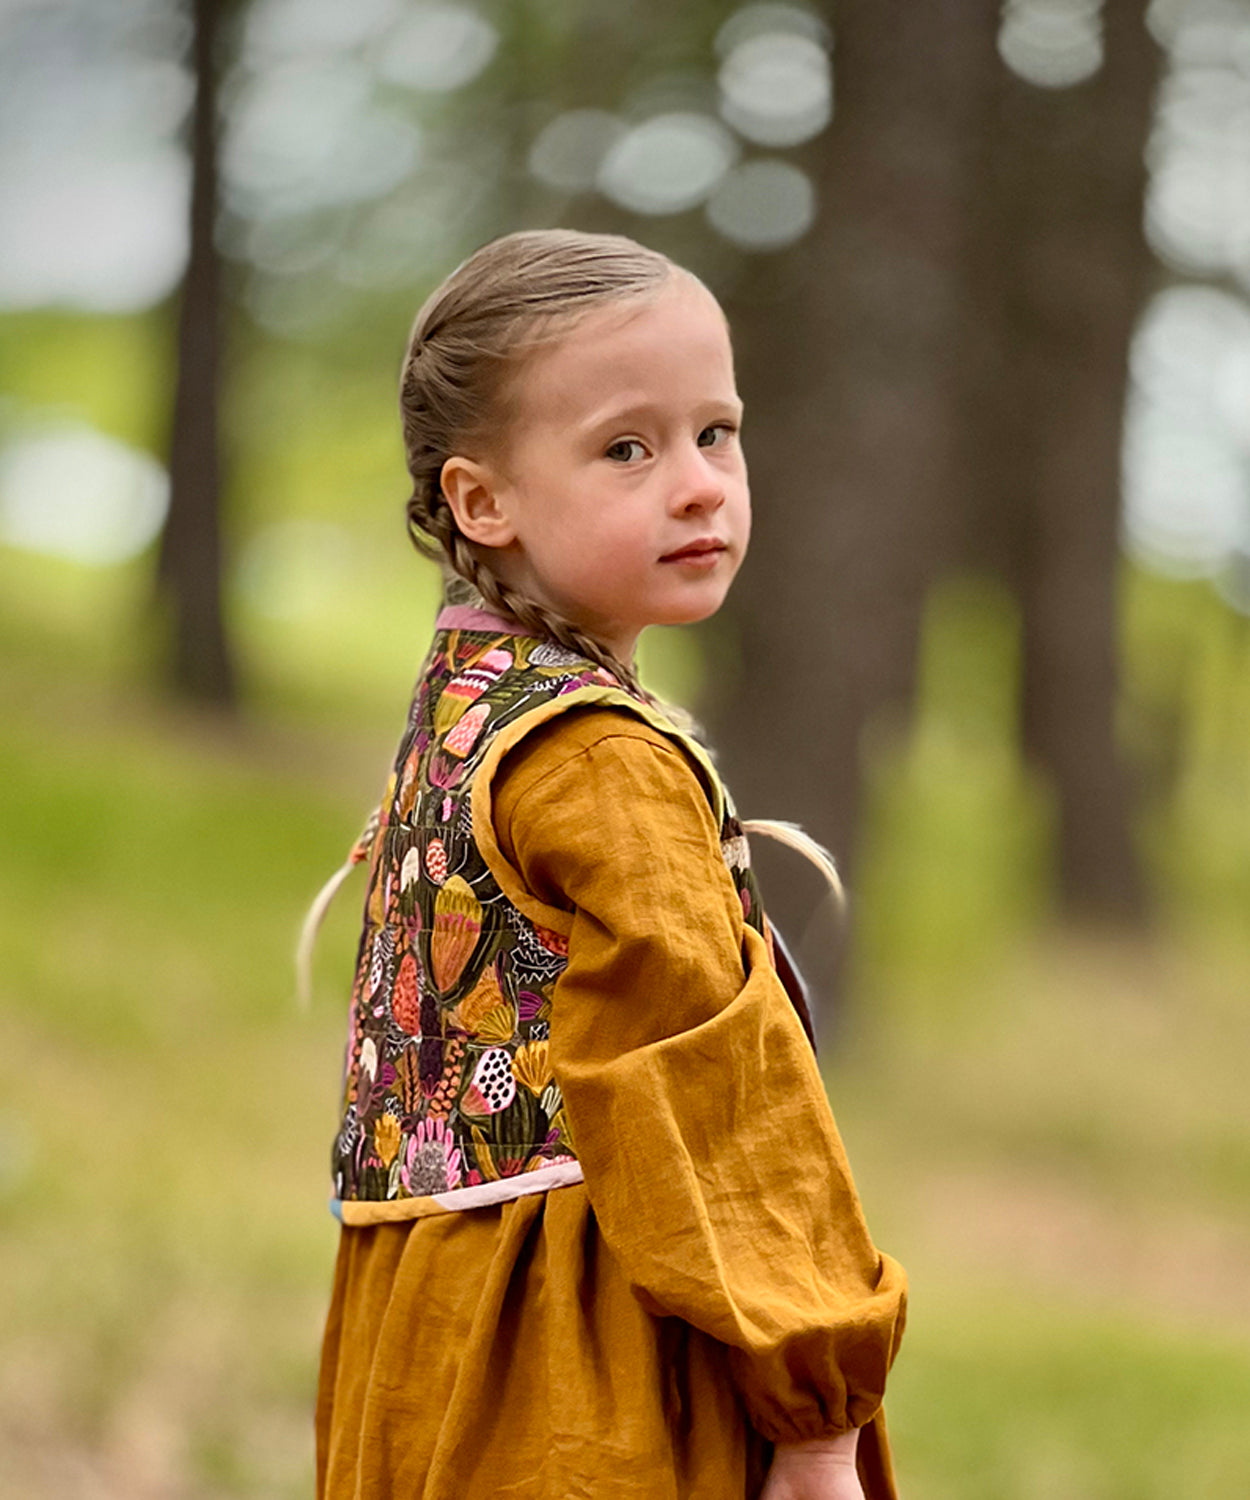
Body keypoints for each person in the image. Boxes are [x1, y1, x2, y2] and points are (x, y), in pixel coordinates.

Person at [301, 228, 907, 1500]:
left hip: (432, 1355)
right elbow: (713, 1091)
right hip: (588, 1375)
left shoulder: (465, 708)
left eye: (715, 433)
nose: (696, 485)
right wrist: (812, 1415)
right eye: (626, 447)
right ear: (483, 501)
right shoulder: (595, 759)